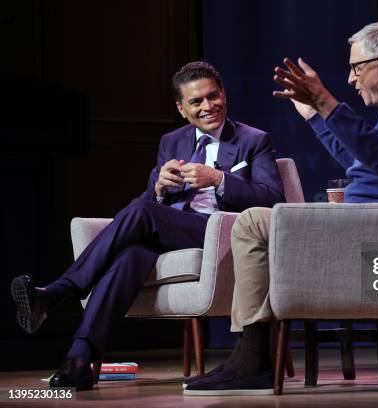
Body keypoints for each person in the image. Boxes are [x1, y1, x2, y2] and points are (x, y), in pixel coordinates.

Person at [183, 21, 378, 396]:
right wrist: (316, 115)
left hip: (375, 230)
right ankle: (251, 356)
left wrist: (327, 102)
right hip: (366, 222)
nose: (351, 79)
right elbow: (363, 159)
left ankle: (252, 358)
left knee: (252, 222)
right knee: (256, 224)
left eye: (356, 68)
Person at [10, 61, 285, 391]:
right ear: (182, 109)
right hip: (173, 230)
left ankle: (59, 291)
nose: (208, 106)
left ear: (224, 95)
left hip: (222, 233)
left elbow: (272, 200)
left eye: (213, 96)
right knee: (131, 255)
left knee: (141, 213)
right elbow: (151, 204)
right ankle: (79, 359)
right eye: (196, 102)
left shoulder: (254, 140)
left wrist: (219, 180)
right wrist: (159, 188)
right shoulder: (172, 141)